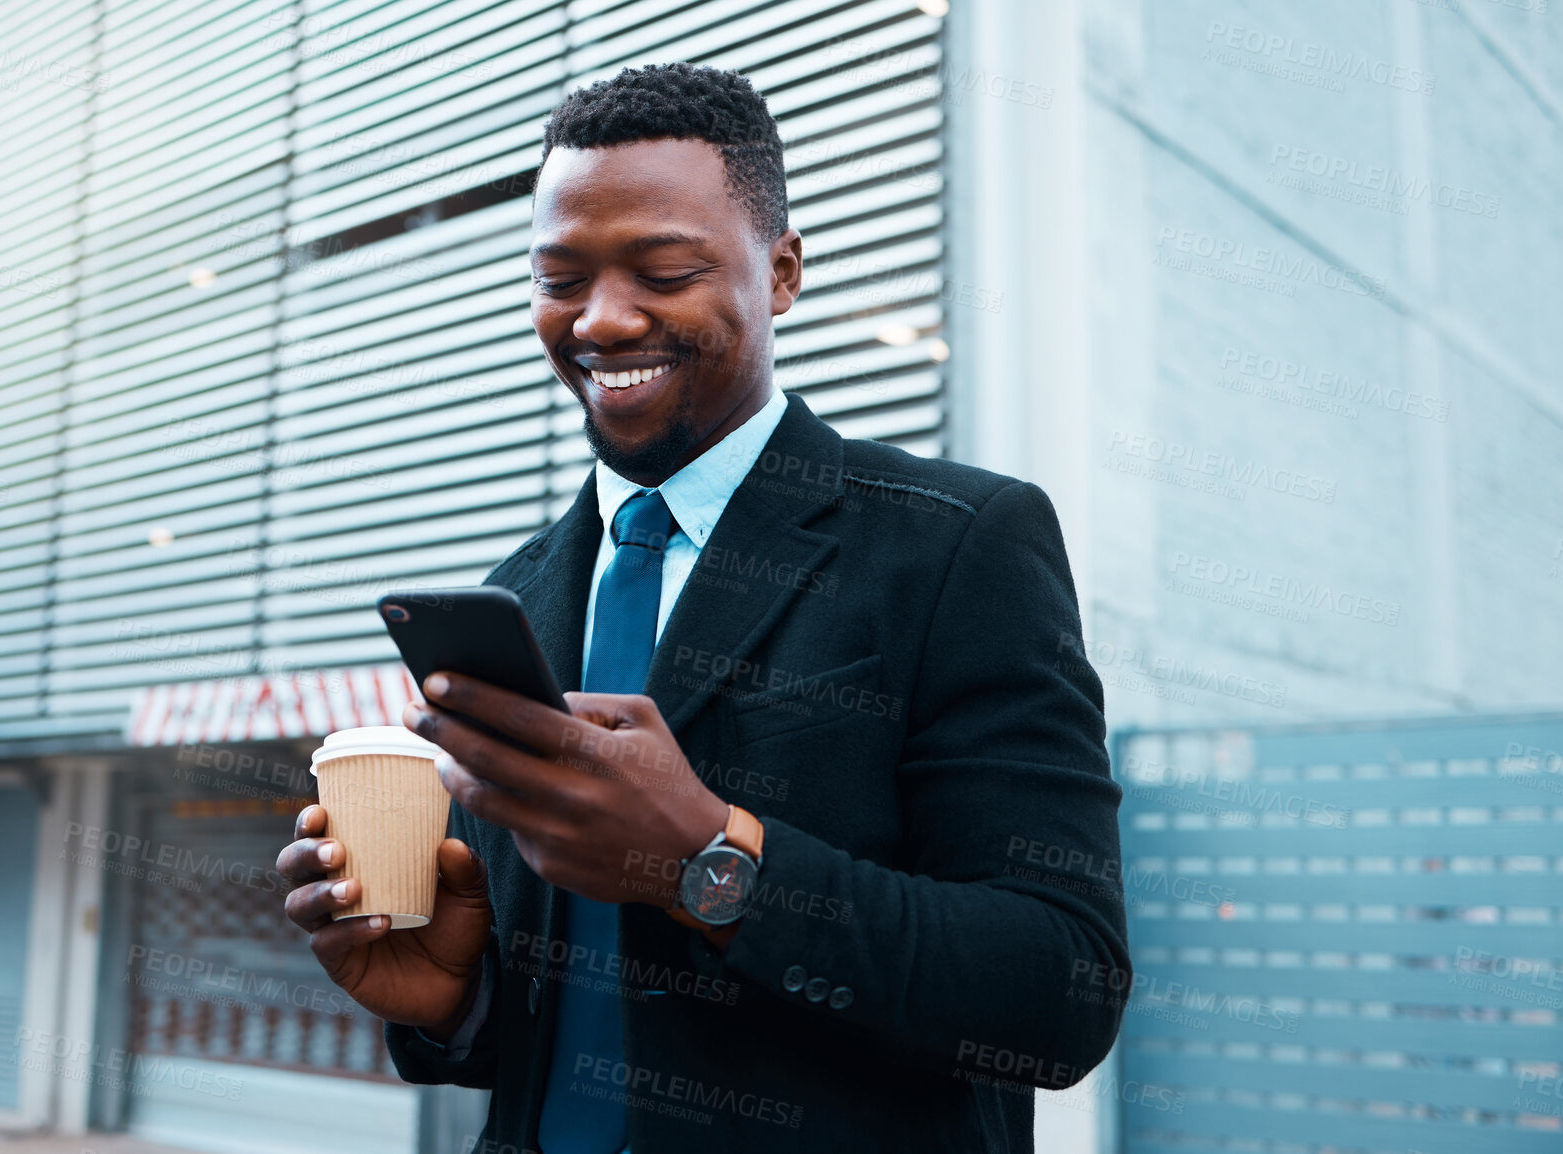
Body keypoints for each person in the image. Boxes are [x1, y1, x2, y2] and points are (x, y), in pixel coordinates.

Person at [280, 63, 1127, 1153]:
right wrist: (452, 999)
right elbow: (573, 1039)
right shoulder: (517, 595)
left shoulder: (956, 545)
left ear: (779, 274)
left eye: (666, 269)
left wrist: (707, 860)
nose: (603, 318)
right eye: (559, 277)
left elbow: (1060, 985)